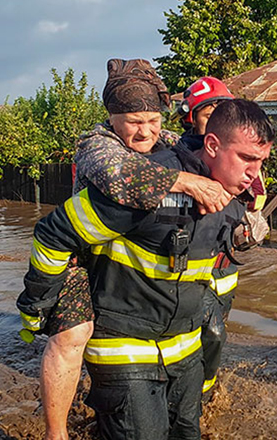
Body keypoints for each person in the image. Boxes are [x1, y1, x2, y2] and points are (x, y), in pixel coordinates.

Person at [18, 98, 274, 440]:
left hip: (184, 349)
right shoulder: (146, 187)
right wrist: (38, 304)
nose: (254, 174)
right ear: (212, 145)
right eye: (247, 159)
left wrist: (240, 240)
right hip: (124, 348)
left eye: (261, 162)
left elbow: (209, 267)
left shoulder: (234, 192)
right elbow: (54, 233)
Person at [175, 76, 269, 395]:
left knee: (214, 332)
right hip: (188, 262)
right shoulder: (177, 156)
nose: (215, 115)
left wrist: (245, 206)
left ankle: (205, 387)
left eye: (220, 108)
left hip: (223, 264)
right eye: (207, 111)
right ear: (192, 117)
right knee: (193, 331)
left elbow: (257, 196)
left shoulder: (242, 155)